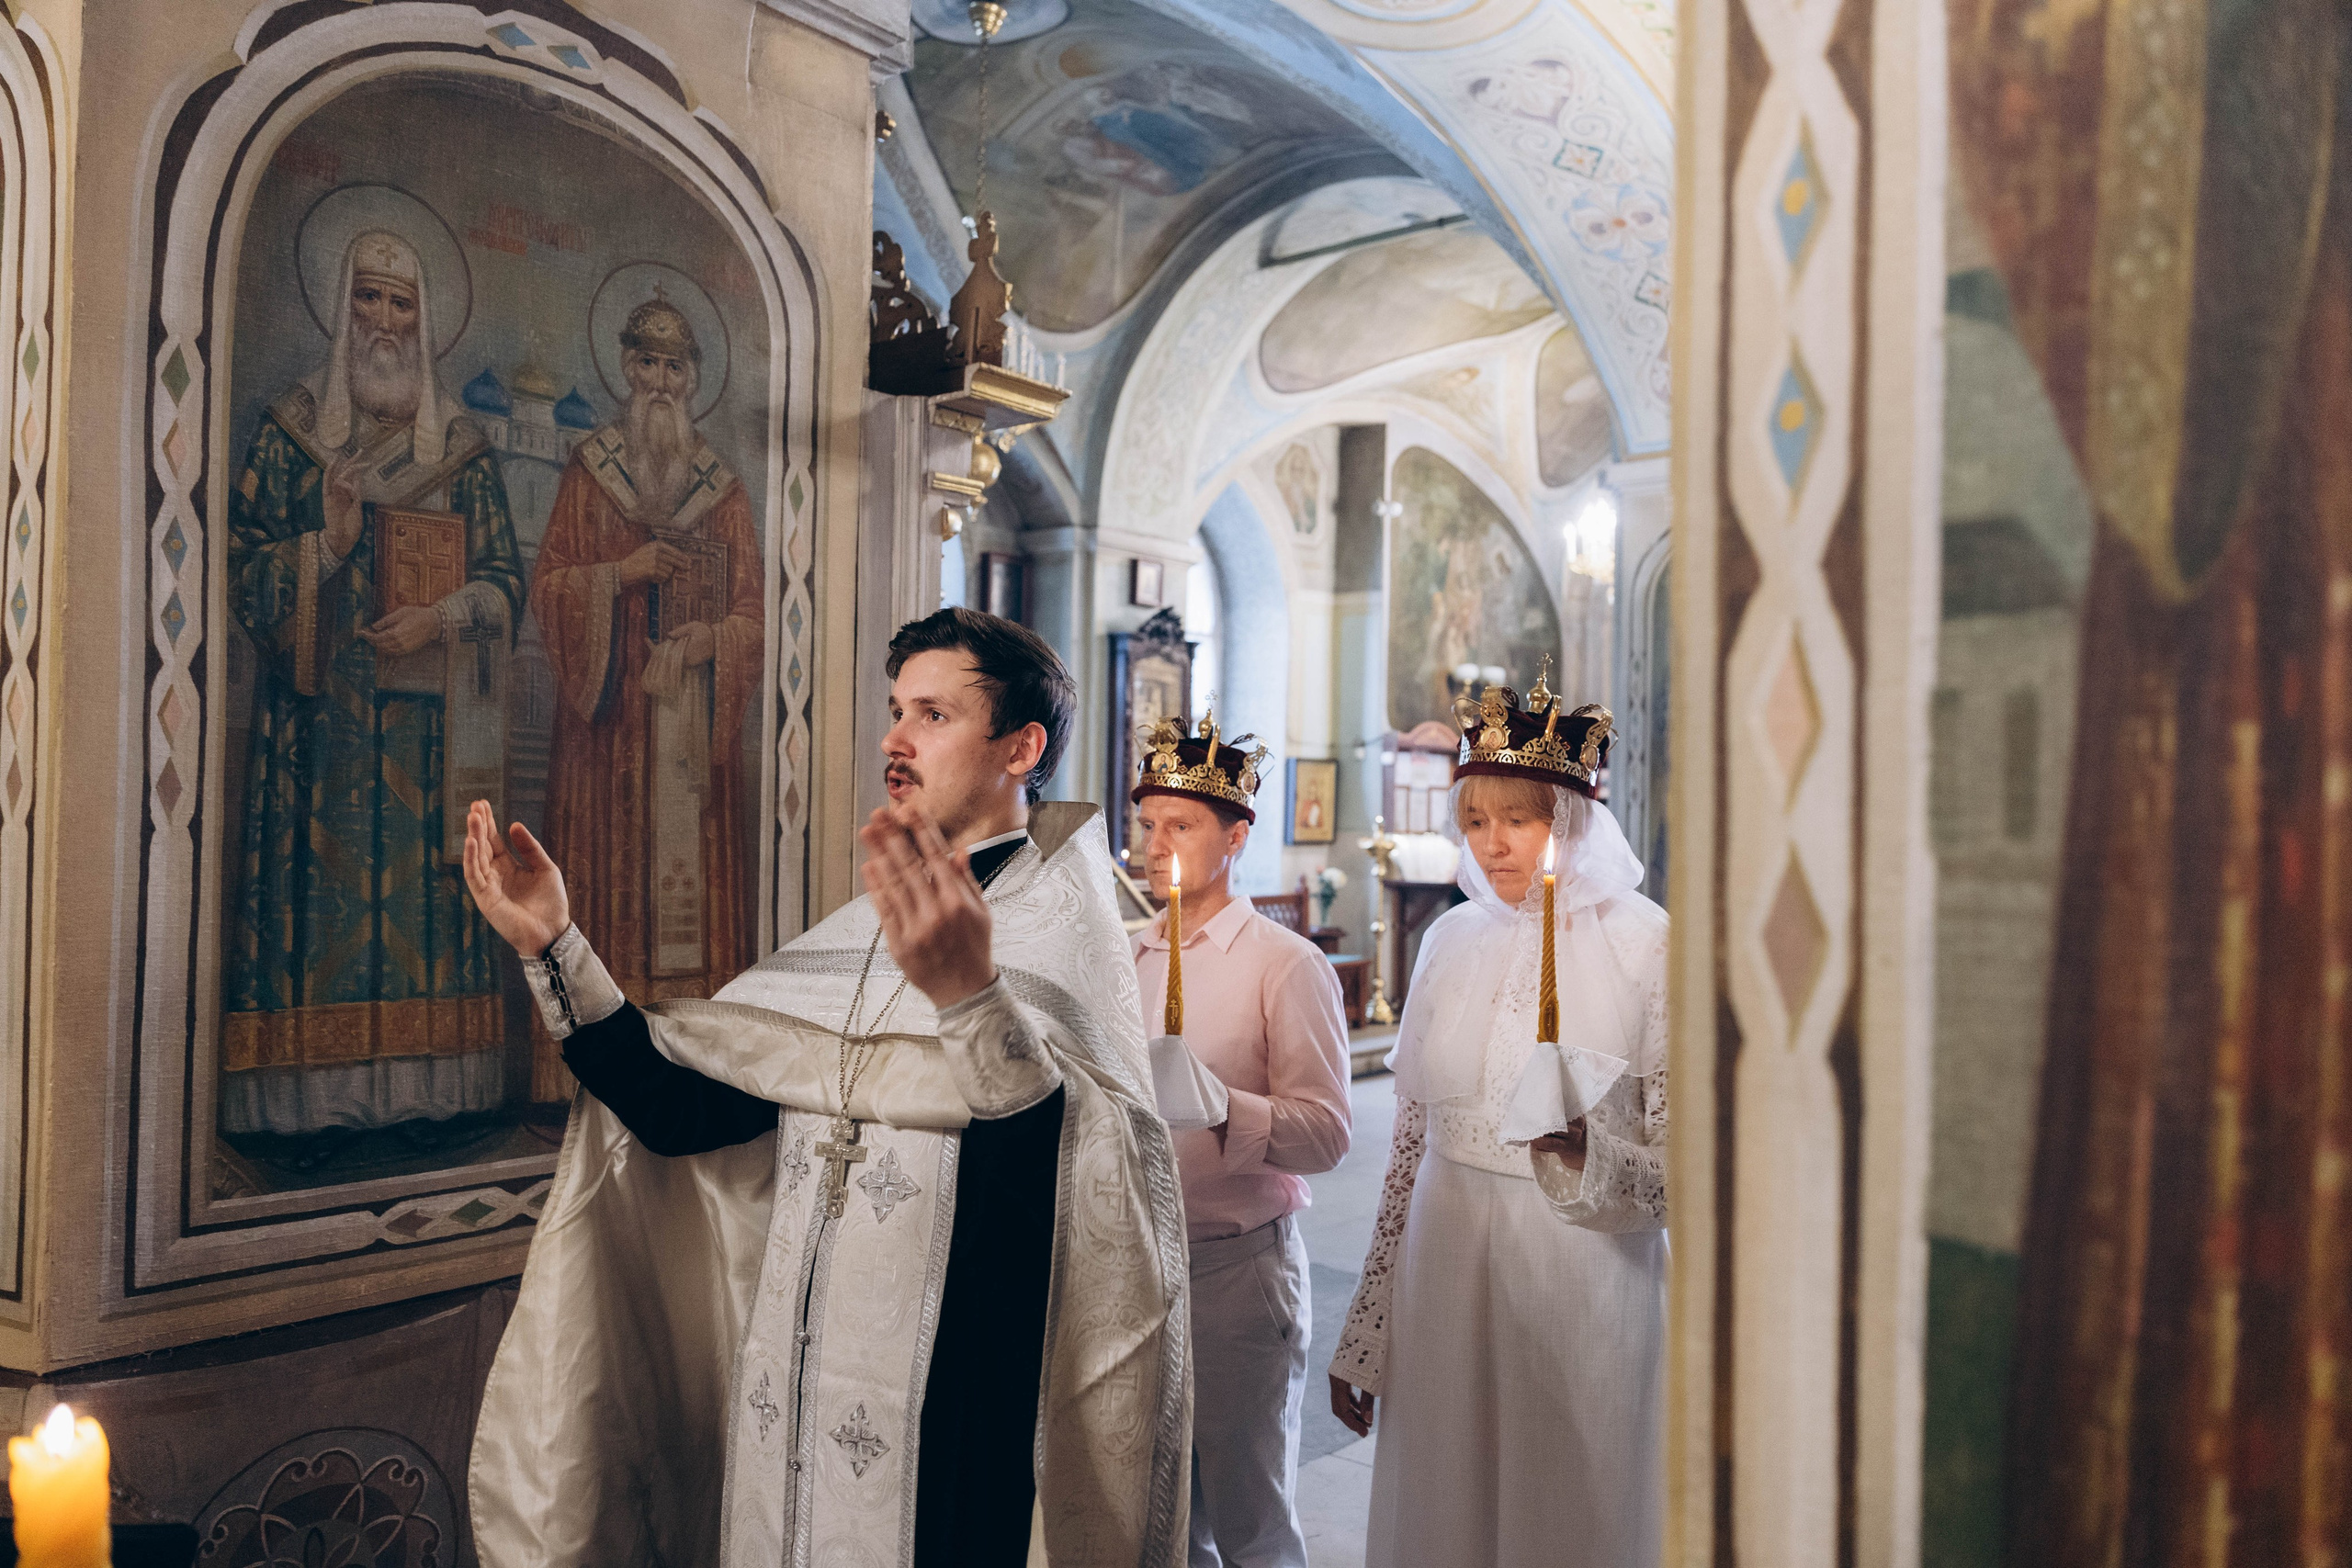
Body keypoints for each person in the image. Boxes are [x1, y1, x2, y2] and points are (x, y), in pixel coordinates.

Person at [467, 608, 1192, 1568]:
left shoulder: (1062, 940)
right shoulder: (855, 933)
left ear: (1022, 746)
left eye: (933, 714)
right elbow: (690, 1114)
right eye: (897, 710)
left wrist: (973, 1002)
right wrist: (555, 948)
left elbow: (1084, 1214)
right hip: (789, 1415)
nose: (895, 738)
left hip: (963, 1419)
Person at [1327, 669, 1668, 1567]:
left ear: (1575, 818)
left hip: (1580, 1270)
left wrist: (1598, 1157)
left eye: (1517, 819)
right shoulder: (1446, 940)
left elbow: (1695, 1168)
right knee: (1446, 1507)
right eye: (1474, 822)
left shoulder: (1646, 944)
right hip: (1443, 1259)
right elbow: (1405, 1153)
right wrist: (1368, 1329)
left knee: (1571, 1509)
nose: (1491, 846)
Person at [221, 227, 523, 1140]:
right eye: (367, 298)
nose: (384, 322)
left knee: (430, 904)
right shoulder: (291, 433)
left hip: (433, 743)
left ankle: (433, 1100)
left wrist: (439, 618)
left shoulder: (463, 450)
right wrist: (332, 542)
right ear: (341, 305)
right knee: (321, 915)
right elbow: (242, 574)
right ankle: (311, 1112)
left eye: (400, 304)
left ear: (423, 320)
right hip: (318, 742)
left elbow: (506, 581)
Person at [527, 294, 764, 1101]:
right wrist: (618, 577)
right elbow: (550, 583)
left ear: (693, 378)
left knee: (684, 915)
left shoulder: (722, 490)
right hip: (605, 740)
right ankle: (584, 1081)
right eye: (649, 364)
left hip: (688, 739)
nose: (661, 382)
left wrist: (710, 642)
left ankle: (690, 1071)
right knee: (601, 893)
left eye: (676, 367)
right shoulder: (591, 471)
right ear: (627, 369)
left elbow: (753, 617)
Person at [1129, 715, 1351, 1568]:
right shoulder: (1127, 956)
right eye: (1146, 824)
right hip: (1133, 1262)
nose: (1155, 845)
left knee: (1250, 1509)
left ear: (1236, 836)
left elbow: (1329, 1132)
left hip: (1235, 1266)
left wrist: (1225, 1107)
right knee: (1158, 1512)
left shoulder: (1283, 963)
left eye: (1179, 825)